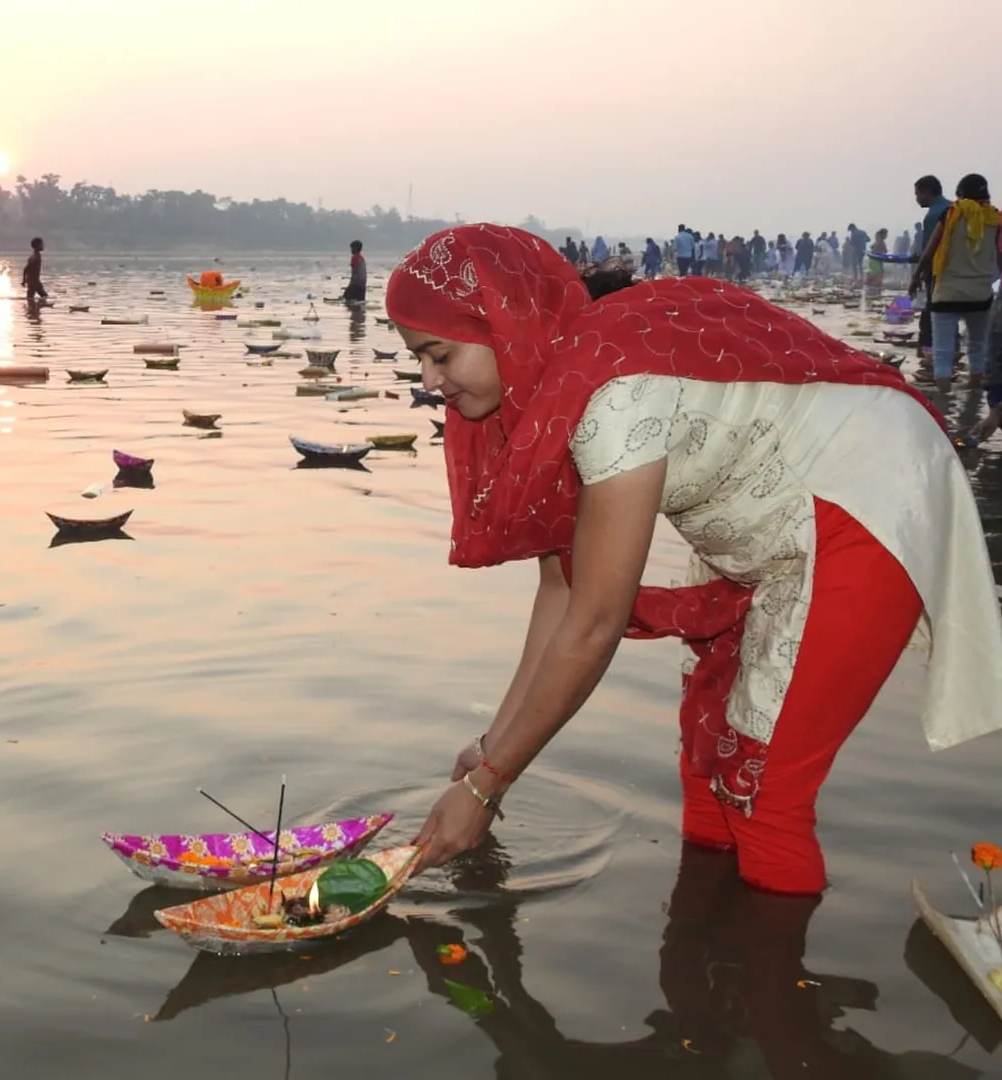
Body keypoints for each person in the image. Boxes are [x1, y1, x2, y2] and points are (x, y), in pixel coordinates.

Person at [386, 224, 1002, 892]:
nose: (429, 380)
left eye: (440, 356)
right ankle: (706, 973)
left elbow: (595, 623)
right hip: (757, 526)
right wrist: (492, 746)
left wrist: (487, 786)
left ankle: (777, 986)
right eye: (420, 359)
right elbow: (562, 588)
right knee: (708, 773)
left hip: (858, 502)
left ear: (503, 322)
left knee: (762, 794)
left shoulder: (611, 393)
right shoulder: (558, 382)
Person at [909, 174, 1000, 394]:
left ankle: (943, 403)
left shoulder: (951, 214)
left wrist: (916, 277)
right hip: (980, 294)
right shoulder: (995, 219)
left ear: (960, 193)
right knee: (977, 347)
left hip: (947, 292)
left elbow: (931, 250)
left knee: (943, 351)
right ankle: (973, 397)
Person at [912, 175, 953, 361]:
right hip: (957, 274)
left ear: (927, 192)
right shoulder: (954, 209)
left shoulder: (933, 215)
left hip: (937, 273)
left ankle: (927, 358)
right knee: (950, 317)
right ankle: (951, 354)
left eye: (917, 194)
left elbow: (930, 251)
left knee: (930, 316)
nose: (916, 199)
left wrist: (918, 275)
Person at [22, 236, 47, 303]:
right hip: (33, 282)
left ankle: (34, 308)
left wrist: (24, 280)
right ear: (37, 246)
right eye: (41, 244)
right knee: (32, 298)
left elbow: (27, 269)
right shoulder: (35, 256)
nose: (43, 246)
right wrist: (24, 280)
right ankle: (32, 309)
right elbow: (26, 268)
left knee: (42, 296)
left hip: (35, 281)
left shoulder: (36, 255)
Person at [343, 239, 367, 304]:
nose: (351, 250)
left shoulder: (355, 258)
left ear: (355, 249)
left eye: (352, 248)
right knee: (359, 303)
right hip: (362, 285)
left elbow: (355, 272)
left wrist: (350, 285)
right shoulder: (361, 258)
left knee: (346, 299)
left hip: (356, 284)